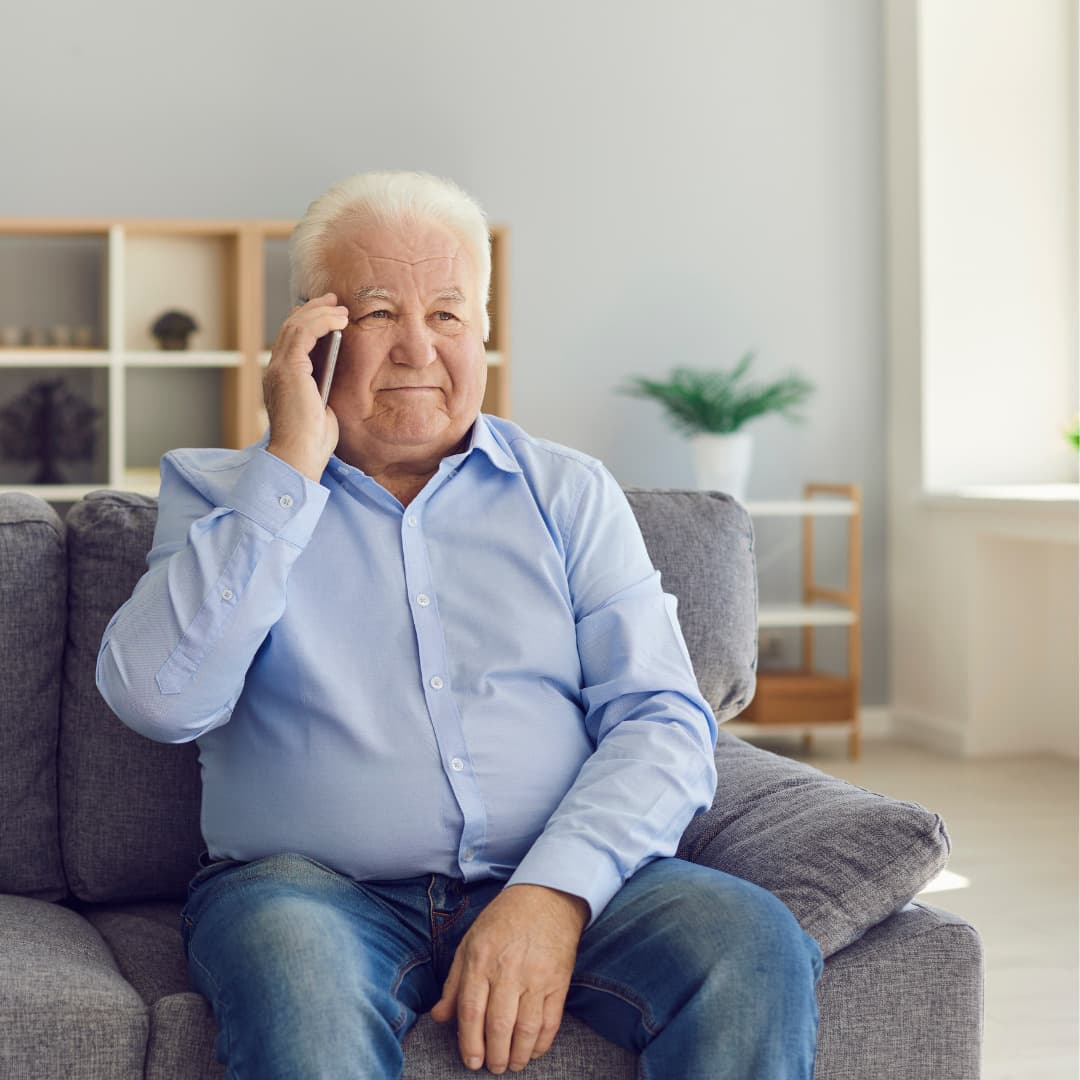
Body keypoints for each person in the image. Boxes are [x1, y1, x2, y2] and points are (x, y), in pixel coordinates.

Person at [97, 170, 822, 1079]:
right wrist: (288, 468)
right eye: (373, 314)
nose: (415, 349)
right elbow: (160, 701)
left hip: (559, 870)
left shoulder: (570, 491)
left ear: (483, 329)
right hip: (306, 893)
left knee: (750, 945)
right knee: (300, 986)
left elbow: (663, 719)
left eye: (447, 314)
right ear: (308, 335)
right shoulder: (224, 493)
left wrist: (553, 894)